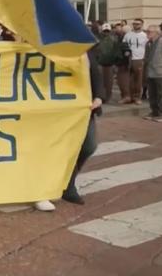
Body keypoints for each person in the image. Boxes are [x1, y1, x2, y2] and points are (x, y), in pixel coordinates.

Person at [61, 48, 105, 205]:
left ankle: (68, 180)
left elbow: (96, 74)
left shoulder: (85, 49)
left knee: (89, 146)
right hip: (60, 108)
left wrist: (99, 96)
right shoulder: (53, 48)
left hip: (84, 108)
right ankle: (66, 185)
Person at [122, 19, 148, 104]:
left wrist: (145, 58)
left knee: (138, 79)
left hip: (139, 59)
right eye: (134, 24)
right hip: (129, 59)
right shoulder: (128, 35)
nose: (136, 25)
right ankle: (128, 96)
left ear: (141, 25)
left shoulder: (144, 35)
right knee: (128, 79)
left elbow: (147, 47)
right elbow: (123, 45)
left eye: (138, 24)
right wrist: (125, 52)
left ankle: (137, 97)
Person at [96, 23, 122, 103]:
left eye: (107, 31)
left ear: (110, 31)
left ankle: (108, 97)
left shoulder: (115, 39)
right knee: (100, 82)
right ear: (102, 31)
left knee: (109, 82)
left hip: (110, 64)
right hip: (100, 63)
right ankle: (101, 97)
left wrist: (116, 63)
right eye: (105, 31)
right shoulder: (97, 39)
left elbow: (117, 51)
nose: (106, 32)